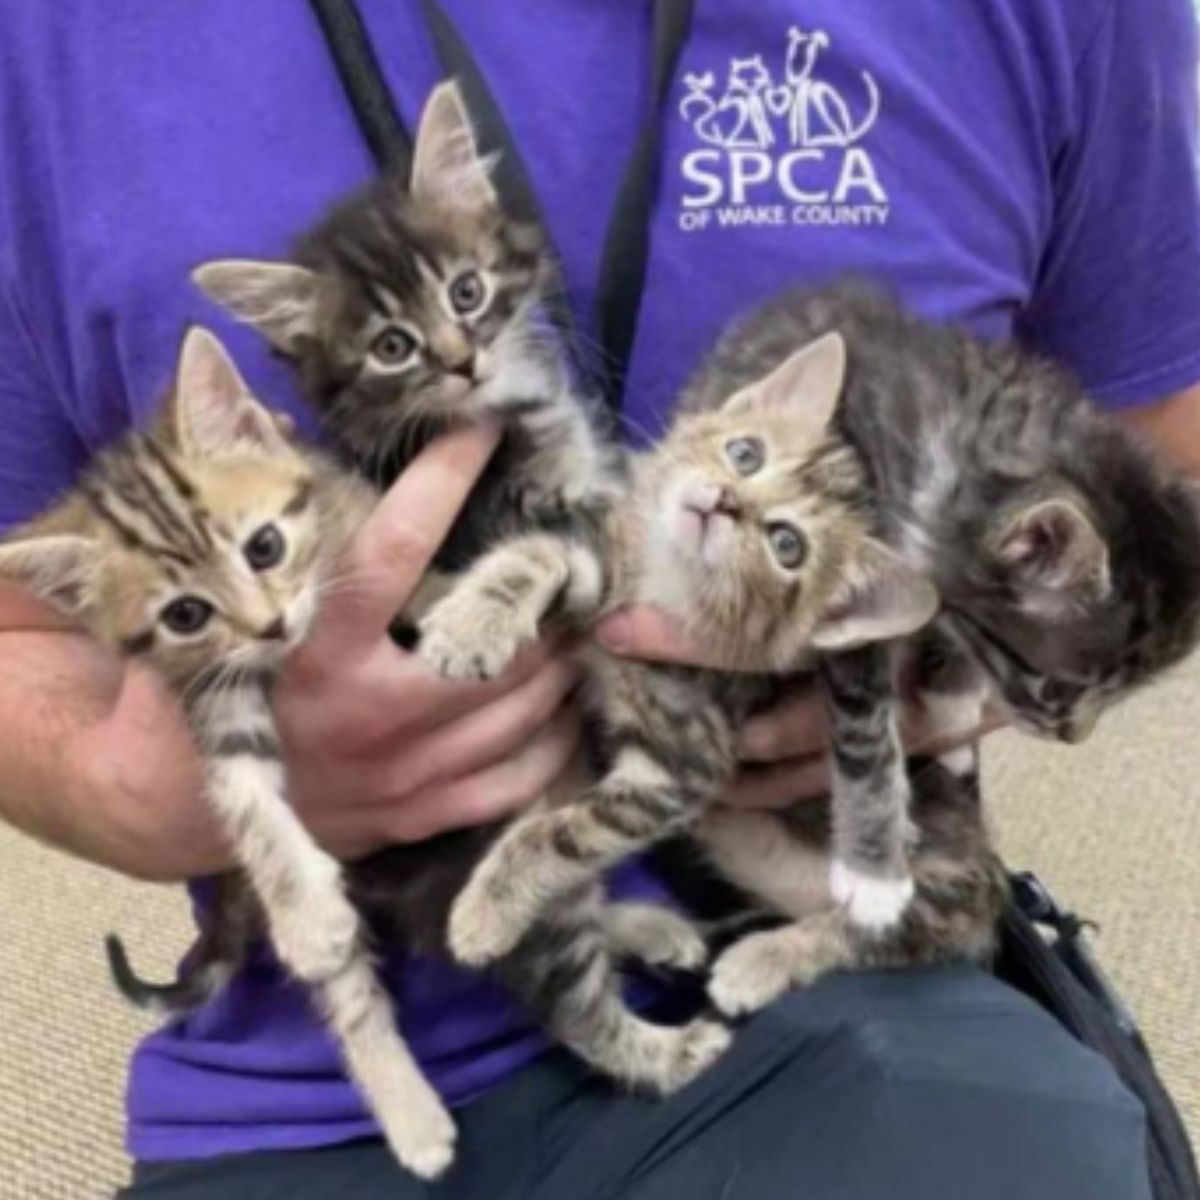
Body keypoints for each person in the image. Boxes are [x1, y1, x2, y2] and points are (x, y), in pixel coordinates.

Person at [2, 2, 1199, 1197]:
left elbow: (1168, 477)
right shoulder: (48, 48)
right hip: (325, 1051)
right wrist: (141, 787)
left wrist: (977, 662)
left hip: (839, 1000)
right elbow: (19, 622)